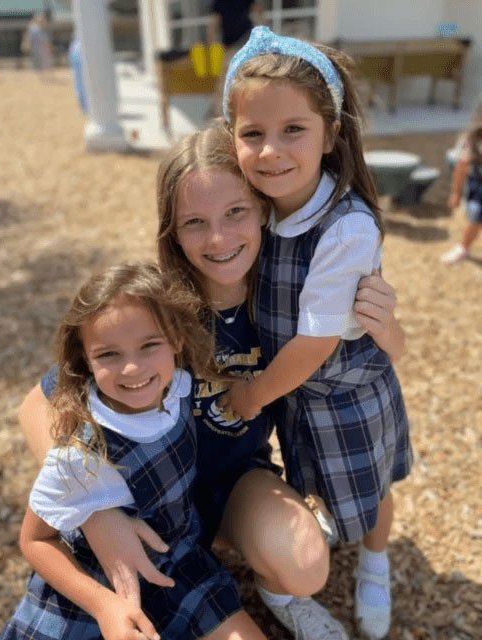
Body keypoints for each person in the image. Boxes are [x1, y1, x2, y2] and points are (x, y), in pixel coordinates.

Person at [19, 126, 404, 640]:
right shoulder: (157, 307)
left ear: (264, 210)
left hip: (234, 481)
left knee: (306, 564)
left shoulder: (298, 300)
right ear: (171, 232)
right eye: (194, 223)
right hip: (146, 497)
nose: (219, 239)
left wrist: (390, 330)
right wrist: (93, 510)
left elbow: (369, 368)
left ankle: (275, 590)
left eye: (236, 213)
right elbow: (36, 403)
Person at [220, 27, 413, 639]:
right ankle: (297, 570)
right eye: (253, 134)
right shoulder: (256, 206)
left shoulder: (347, 227)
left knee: (373, 483)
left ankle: (376, 561)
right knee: (306, 479)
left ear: (330, 134)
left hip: (345, 389)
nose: (271, 150)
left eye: (293, 131)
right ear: (233, 138)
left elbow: (315, 343)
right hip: (295, 390)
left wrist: (249, 396)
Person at [0, 262, 267, 640]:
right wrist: (104, 606)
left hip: (179, 567)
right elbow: (36, 540)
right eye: (109, 354)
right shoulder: (80, 452)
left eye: (149, 345)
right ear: (85, 361)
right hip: (102, 584)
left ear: (177, 341)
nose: (132, 367)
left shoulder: (179, 388)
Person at [207, 1, 264, 117]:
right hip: (232, 43)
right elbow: (215, 22)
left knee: (239, 74)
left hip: (245, 39)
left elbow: (258, 10)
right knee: (229, 77)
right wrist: (211, 44)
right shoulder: (218, 2)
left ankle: (224, 110)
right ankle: (221, 111)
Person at [441, 121, 482, 264]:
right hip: (478, 186)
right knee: (477, 215)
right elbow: (461, 167)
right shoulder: (475, 138)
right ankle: (464, 247)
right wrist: (456, 194)